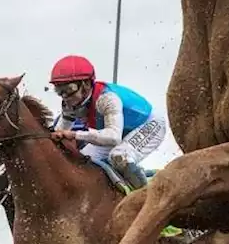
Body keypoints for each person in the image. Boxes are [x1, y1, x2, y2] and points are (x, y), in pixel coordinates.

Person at [49, 55, 166, 191]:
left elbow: (113, 137)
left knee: (120, 157)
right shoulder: (69, 104)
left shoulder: (107, 99)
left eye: (69, 89)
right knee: (80, 162)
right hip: (116, 131)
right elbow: (59, 133)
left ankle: (145, 198)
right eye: (59, 91)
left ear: (86, 84)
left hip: (148, 124)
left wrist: (75, 135)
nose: (65, 97)